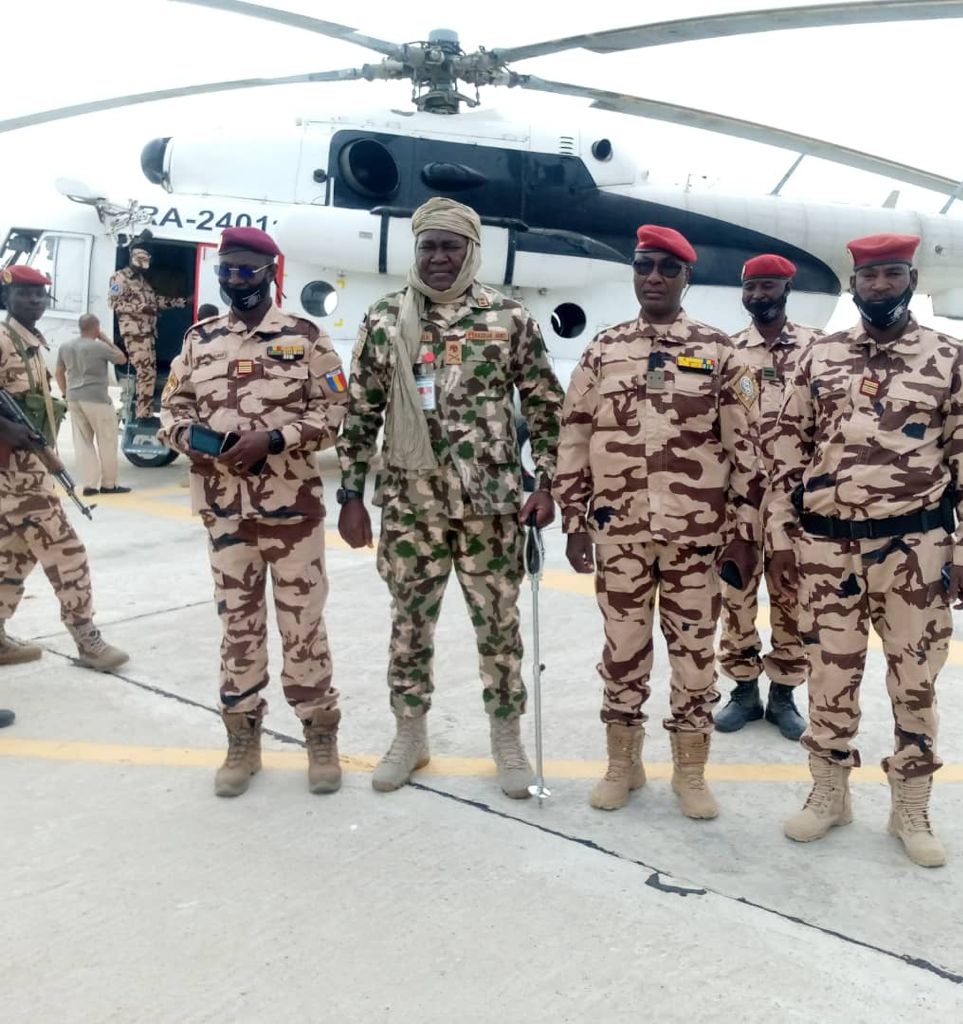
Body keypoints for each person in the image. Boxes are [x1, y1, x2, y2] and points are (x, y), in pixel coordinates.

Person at [766, 233, 963, 867]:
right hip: (827, 550)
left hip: (915, 551)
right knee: (828, 674)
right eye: (869, 276)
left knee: (915, 679)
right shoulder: (820, 357)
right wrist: (781, 536)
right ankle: (829, 793)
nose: (879, 285)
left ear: (912, 279)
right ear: (854, 284)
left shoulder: (951, 358)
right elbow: (787, 451)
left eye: (892, 274)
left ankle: (911, 806)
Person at [337, 197, 564, 798]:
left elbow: (547, 407)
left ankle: (507, 740)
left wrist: (546, 484)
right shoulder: (385, 318)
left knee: (499, 627)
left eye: (450, 246)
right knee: (409, 625)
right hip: (411, 507)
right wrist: (351, 493)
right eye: (428, 246)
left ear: (472, 250)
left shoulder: (509, 318)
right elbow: (359, 412)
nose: (438, 257)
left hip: (492, 508)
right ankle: (410, 736)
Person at [553, 225, 761, 818]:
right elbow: (575, 436)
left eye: (668, 268)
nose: (653, 277)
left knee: (695, 654)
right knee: (622, 649)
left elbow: (746, 450)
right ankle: (623, 763)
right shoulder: (604, 349)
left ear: (686, 277)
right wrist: (574, 520)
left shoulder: (721, 352)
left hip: (697, 539)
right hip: (619, 534)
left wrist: (745, 534)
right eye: (644, 265)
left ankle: (690, 771)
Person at [159, 227, 348, 798]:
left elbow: (334, 412)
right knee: (237, 626)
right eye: (226, 270)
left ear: (270, 274)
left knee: (302, 625)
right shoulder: (200, 339)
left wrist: (274, 439)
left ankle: (319, 734)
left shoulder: (306, 338)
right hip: (225, 512)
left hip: (292, 513)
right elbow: (171, 409)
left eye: (246, 270)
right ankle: (242, 738)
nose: (234, 280)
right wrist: (194, 442)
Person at [715, 255, 823, 741]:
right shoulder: (728, 350)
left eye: (768, 285)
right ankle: (743, 691)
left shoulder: (818, 349)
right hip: (737, 500)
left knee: (792, 597)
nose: (759, 294)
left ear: (787, 289)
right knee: (735, 595)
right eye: (751, 286)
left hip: (797, 502)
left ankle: (783, 694)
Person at [0, 265, 129, 671]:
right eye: (25, 294)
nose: (34, 301)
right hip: (16, 477)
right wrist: (8, 429)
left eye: (40, 294)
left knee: (15, 554)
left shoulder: (30, 342)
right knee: (67, 552)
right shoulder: (3, 340)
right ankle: (86, 638)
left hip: (25, 471)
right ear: (7, 297)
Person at [108, 235, 188, 423]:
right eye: (139, 264)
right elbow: (113, 303)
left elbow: (155, 301)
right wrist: (140, 308)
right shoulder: (119, 278)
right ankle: (143, 414)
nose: (140, 268)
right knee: (145, 372)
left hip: (147, 332)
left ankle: (144, 411)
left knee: (148, 371)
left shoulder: (142, 280)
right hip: (134, 333)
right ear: (132, 258)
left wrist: (182, 302)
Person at [55, 313, 130, 497]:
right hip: (97, 399)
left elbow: (58, 373)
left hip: (74, 398)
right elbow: (122, 358)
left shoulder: (65, 346)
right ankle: (109, 484)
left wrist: (65, 393)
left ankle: (89, 485)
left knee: (83, 442)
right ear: (96, 328)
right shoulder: (99, 347)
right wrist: (106, 339)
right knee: (107, 440)